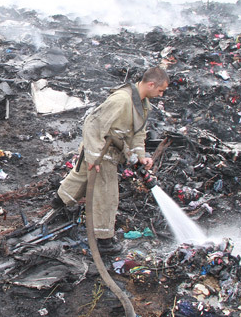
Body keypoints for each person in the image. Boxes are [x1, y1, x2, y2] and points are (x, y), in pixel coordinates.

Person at [51, 67, 169, 253]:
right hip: (101, 151)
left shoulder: (143, 104)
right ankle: (104, 240)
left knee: (79, 179)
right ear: (151, 84)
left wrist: (141, 157)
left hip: (110, 151)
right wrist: (93, 157)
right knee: (107, 196)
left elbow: (138, 134)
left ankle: (57, 204)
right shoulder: (121, 100)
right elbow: (92, 124)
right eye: (160, 90)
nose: (160, 94)